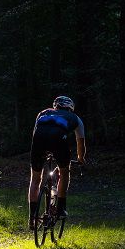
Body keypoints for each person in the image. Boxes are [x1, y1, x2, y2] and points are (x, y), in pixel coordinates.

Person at [28, 96, 86, 229]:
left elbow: (35, 133)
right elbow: (80, 142)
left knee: (35, 179)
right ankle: (60, 208)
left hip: (38, 141)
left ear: (55, 106)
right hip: (58, 141)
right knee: (65, 172)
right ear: (71, 108)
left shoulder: (43, 113)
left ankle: (32, 218)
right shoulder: (75, 118)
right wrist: (81, 158)